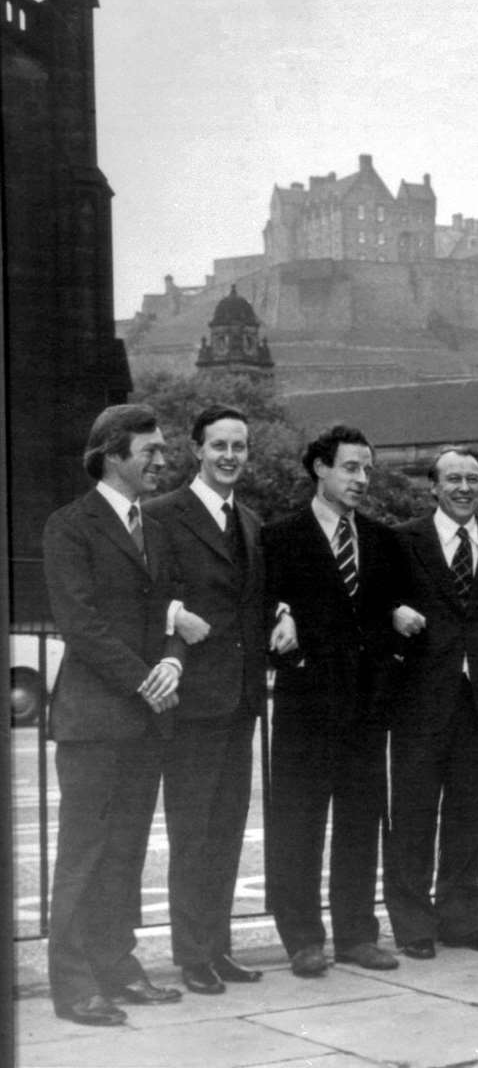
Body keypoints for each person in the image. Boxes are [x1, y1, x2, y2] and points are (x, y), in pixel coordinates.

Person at [42, 404, 185, 1025]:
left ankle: (117, 964)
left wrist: (174, 662)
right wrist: (144, 681)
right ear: (111, 454)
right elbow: (81, 623)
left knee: (125, 852)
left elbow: (177, 612)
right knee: (84, 853)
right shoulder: (70, 526)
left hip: (143, 720)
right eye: (148, 451)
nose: (161, 460)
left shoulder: (155, 529)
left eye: (161, 450)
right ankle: (74, 984)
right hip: (94, 722)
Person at [263, 425, 414, 977]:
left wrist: (394, 644)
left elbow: (399, 605)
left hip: (367, 706)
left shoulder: (380, 538)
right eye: (351, 467)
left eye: (367, 469)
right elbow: (263, 604)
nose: (362, 479)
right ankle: (302, 938)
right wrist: (282, 626)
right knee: (299, 823)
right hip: (306, 705)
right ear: (320, 468)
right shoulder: (281, 536)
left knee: (359, 822)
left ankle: (355, 934)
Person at [383, 445, 478, 958]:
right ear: (433, 486)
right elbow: (385, 604)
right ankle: (413, 924)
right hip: (420, 698)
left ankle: (462, 919)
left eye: (473, 479)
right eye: (453, 480)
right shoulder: (405, 540)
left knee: (470, 813)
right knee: (415, 815)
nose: (465, 488)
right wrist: (397, 612)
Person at [146, 405, 266, 993]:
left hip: (240, 698)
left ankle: (217, 949)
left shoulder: (247, 519)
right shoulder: (162, 515)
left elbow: (257, 600)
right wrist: (173, 615)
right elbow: (143, 591)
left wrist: (285, 612)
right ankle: (191, 956)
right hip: (192, 701)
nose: (229, 456)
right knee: (192, 833)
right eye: (219, 445)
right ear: (197, 450)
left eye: (239, 446)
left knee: (225, 831)